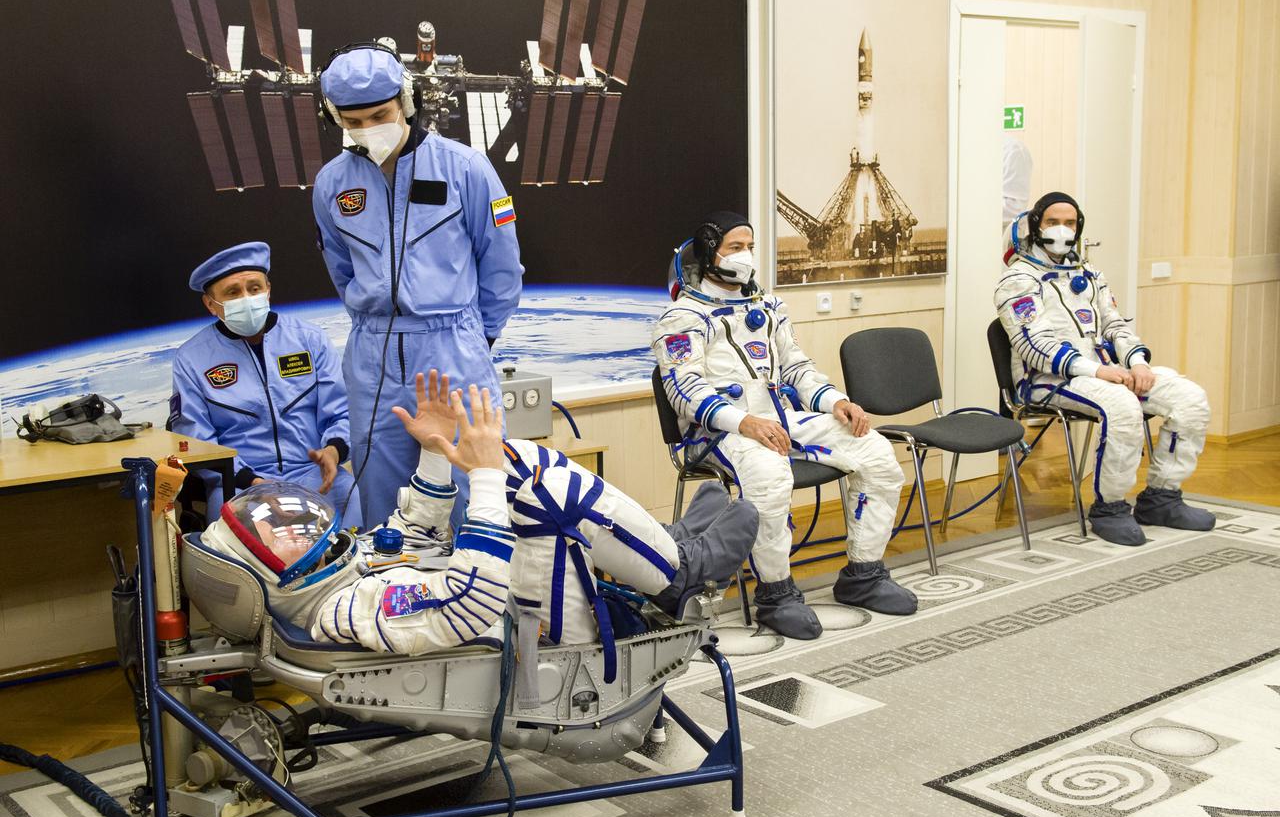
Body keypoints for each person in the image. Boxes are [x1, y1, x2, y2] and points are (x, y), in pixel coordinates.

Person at [200, 372, 757, 655]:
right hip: (527, 639)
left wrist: (436, 453)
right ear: (272, 574)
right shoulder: (345, 608)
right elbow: (468, 601)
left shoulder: (337, 574)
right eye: (277, 538)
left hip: (516, 606)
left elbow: (413, 532)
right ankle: (675, 572)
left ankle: (659, 546)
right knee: (541, 490)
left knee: (519, 462)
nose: (295, 531)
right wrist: (484, 477)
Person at [651, 212, 916, 642]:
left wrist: (836, 402)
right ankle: (776, 596)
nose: (746, 256)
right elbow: (685, 391)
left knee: (876, 452)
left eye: (749, 247)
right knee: (770, 475)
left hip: (778, 419)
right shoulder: (681, 318)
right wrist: (744, 421)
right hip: (719, 433)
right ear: (709, 253)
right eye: (735, 248)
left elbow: (796, 368)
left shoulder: (768, 307)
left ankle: (864, 575)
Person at [312, 42, 524, 529]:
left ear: (407, 102)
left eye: (379, 115)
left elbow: (502, 269)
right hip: (373, 359)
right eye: (353, 121)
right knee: (382, 502)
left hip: (453, 348)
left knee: (472, 492)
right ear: (334, 118)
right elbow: (341, 269)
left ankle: (480, 578)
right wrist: (374, 325)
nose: (368, 129)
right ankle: (392, 581)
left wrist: (474, 339)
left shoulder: (466, 168)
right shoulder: (331, 185)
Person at [995, 191, 1214, 545]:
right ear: (1035, 227)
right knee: (1122, 405)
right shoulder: (1018, 280)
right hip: (1047, 380)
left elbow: (1115, 325)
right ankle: (1110, 508)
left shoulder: (1090, 274)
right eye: (1053, 222)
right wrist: (1098, 372)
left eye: (1070, 223)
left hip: (1107, 372)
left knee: (1189, 398)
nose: (1062, 230)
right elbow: (1034, 347)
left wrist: (1138, 364)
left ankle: (1162, 498)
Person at [169, 242, 361, 526]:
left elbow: (341, 412)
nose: (247, 298)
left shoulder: (310, 339)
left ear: (268, 290)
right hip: (238, 483)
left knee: (357, 504)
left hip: (312, 472)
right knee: (241, 539)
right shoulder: (191, 359)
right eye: (233, 293)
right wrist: (253, 482)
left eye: (254, 288)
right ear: (211, 304)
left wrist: (333, 451)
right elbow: (197, 441)